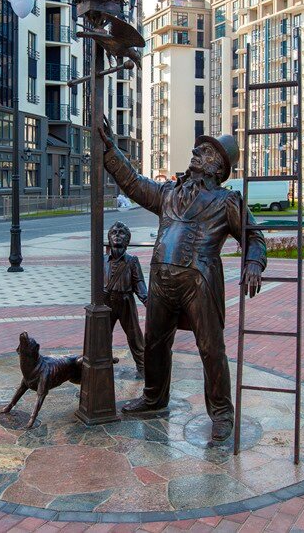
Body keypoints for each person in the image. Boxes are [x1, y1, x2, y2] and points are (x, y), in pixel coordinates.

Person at [99, 116, 267, 442]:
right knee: (155, 343)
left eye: (204, 151)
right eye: (198, 149)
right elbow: (132, 183)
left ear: (217, 167)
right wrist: (110, 150)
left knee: (211, 349)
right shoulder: (168, 193)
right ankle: (153, 397)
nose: (195, 152)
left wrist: (253, 263)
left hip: (199, 283)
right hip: (161, 280)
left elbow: (254, 238)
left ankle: (221, 413)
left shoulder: (227, 201)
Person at [103, 221, 146, 377]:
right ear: (109, 238)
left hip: (126, 301)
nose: (117, 235)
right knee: (103, 335)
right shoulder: (102, 260)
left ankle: (143, 366)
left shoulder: (132, 261)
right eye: (114, 233)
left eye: (121, 233)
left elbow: (139, 282)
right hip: (106, 302)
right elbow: (96, 281)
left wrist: (146, 299)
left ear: (127, 239)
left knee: (134, 336)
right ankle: (104, 363)